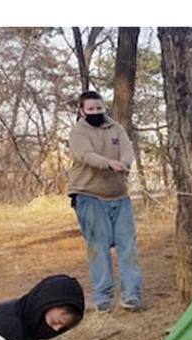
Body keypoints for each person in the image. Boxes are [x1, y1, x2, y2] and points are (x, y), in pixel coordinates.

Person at [68, 90, 143, 312]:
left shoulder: (116, 128)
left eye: (98, 108)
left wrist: (124, 163)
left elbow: (127, 151)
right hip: (89, 195)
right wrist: (109, 163)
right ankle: (103, 297)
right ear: (82, 111)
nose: (95, 112)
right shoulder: (78, 132)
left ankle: (132, 295)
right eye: (90, 109)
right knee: (98, 248)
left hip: (119, 197)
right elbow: (85, 155)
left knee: (127, 247)